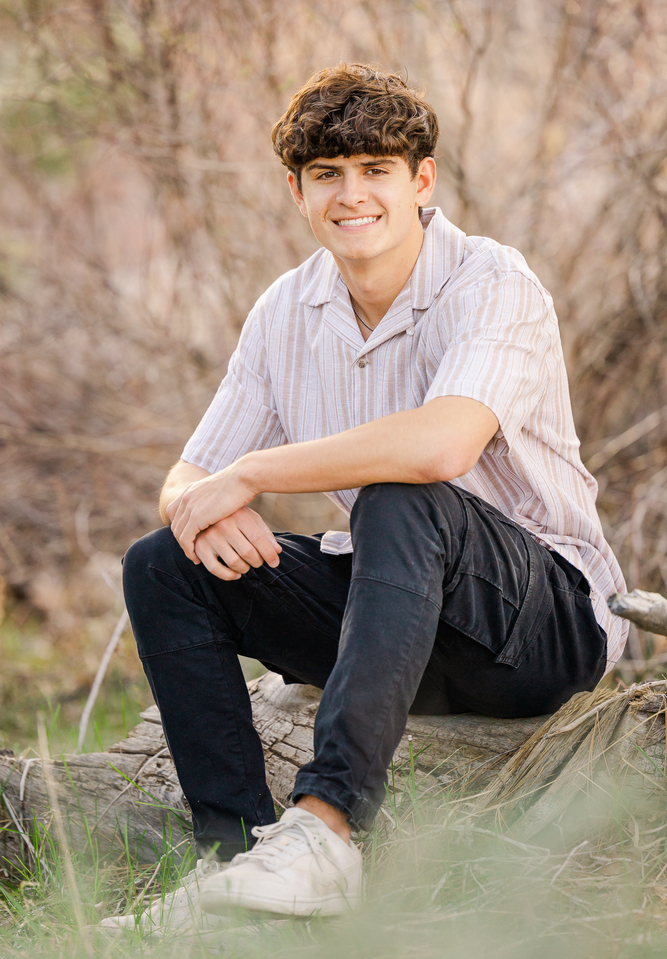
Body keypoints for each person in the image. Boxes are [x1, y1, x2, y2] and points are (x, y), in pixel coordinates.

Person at [102, 62, 627, 933]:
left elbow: (441, 447)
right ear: (297, 192)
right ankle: (236, 872)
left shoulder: (491, 282)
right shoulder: (286, 309)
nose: (351, 195)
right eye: (327, 175)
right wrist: (203, 501)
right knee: (164, 564)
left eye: (375, 170)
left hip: (542, 625)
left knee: (399, 495)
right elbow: (187, 477)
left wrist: (254, 475)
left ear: (420, 181)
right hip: (394, 622)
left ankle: (327, 830)